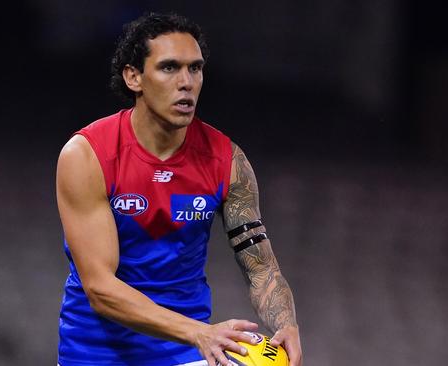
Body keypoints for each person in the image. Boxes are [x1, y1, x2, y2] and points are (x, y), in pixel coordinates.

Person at [55, 12, 302, 366]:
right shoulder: (88, 155)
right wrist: (197, 331)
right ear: (134, 77)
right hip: (97, 354)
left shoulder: (227, 161)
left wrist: (287, 324)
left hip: (186, 355)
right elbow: (100, 289)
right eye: (170, 68)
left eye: (195, 68)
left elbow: (261, 267)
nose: (186, 82)